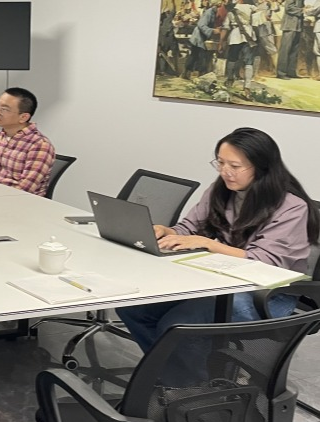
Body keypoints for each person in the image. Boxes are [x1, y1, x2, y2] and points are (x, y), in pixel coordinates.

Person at [116, 128, 319, 383]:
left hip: (267, 294)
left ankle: (194, 392)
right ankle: (178, 378)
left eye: (235, 166)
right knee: (134, 308)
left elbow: (266, 261)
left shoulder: (291, 207)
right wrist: (168, 231)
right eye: (220, 163)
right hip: (221, 282)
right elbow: (190, 228)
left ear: (262, 167)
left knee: (179, 325)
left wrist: (207, 244)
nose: (225, 172)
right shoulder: (220, 190)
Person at [0, 87, 55, 197]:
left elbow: (25, 188)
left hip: (20, 202)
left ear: (23, 117)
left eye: (4, 109)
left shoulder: (40, 145)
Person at [276, 0, 305, 79]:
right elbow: (288, 7)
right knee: (285, 49)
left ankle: (291, 71)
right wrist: (302, 10)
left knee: (294, 50)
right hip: (289, 25)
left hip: (298, 26)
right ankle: (281, 72)